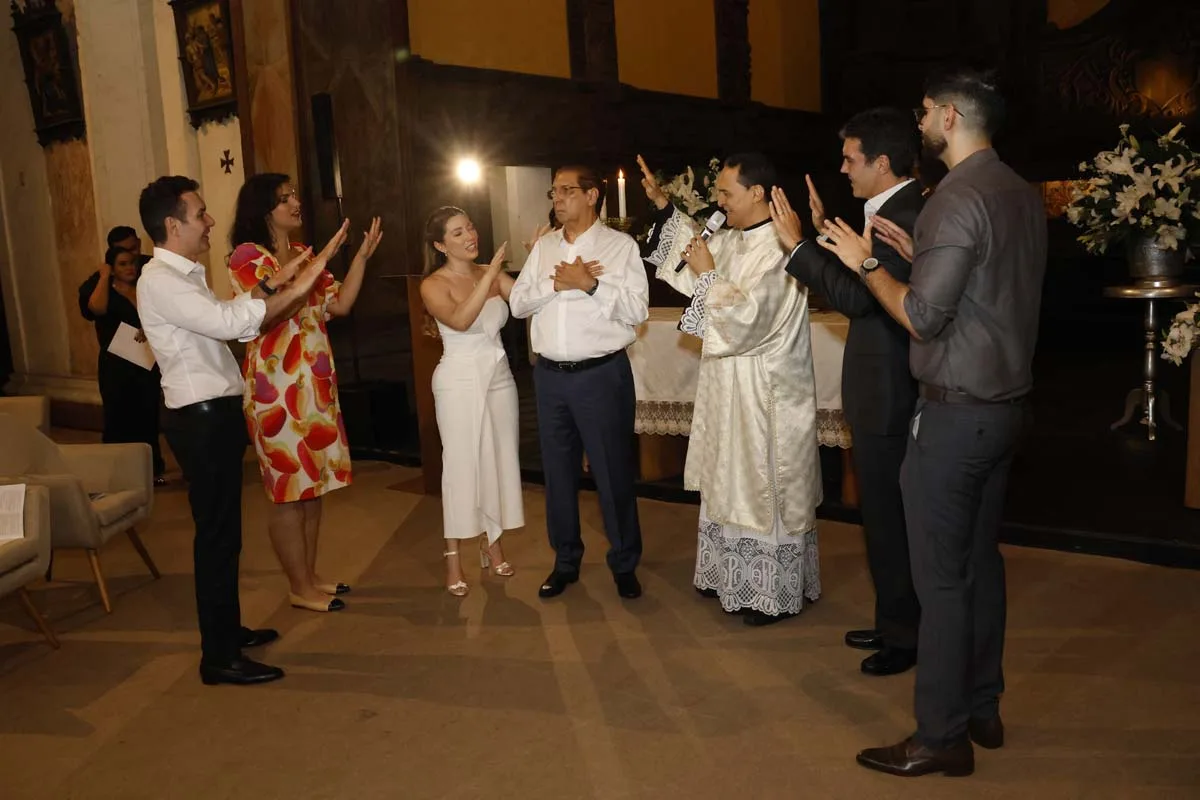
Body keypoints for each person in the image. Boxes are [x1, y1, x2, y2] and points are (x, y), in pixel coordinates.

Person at [818, 69, 1046, 777]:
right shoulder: (1016, 190)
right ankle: (982, 705)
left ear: (949, 117)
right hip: (1006, 408)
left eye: (924, 110)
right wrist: (924, 260)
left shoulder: (952, 198)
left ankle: (939, 735)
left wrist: (866, 264)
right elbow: (987, 288)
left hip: (954, 417)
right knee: (981, 564)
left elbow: (920, 316)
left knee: (941, 581)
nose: (919, 120)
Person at [137, 175, 346, 686]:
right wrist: (301, 281)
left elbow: (231, 312)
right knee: (216, 539)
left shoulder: (183, 275)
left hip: (215, 413)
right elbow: (232, 325)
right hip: (199, 418)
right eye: (200, 213)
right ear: (172, 224)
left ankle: (228, 631)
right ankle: (219, 657)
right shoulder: (159, 280)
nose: (210, 221)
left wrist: (277, 284)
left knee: (226, 535)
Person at [638, 152, 823, 626]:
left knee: (759, 482)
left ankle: (769, 591)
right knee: (726, 475)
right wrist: (663, 208)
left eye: (727, 193)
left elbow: (748, 317)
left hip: (765, 390)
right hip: (728, 384)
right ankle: (726, 573)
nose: (719, 202)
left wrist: (706, 274)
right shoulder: (734, 238)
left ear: (758, 193)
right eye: (717, 192)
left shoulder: (780, 249)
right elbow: (694, 258)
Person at [770, 107, 925, 673]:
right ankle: (894, 623)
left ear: (882, 163)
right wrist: (815, 239)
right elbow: (857, 279)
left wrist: (798, 249)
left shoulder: (901, 214)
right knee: (881, 516)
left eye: (850, 159)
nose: (842, 168)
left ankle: (906, 637)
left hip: (891, 390)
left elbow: (860, 296)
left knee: (891, 517)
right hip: (880, 386)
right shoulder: (882, 211)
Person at [227, 174, 381, 613]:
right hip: (275, 390)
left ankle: (309, 577)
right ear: (263, 208)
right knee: (287, 491)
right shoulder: (247, 256)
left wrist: (360, 258)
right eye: (285, 198)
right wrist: (322, 258)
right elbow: (277, 309)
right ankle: (298, 586)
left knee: (311, 488)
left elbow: (340, 304)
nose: (296, 202)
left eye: (295, 194)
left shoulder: (301, 254)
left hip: (313, 385)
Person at [508, 165, 649, 600]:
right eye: (555, 192)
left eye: (567, 191)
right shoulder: (545, 246)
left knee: (612, 472)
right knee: (558, 474)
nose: (557, 199)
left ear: (592, 196)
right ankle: (565, 560)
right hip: (550, 377)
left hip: (601, 375)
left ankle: (625, 562)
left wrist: (590, 285)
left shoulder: (619, 246)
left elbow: (637, 311)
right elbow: (517, 303)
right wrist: (559, 282)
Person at [419, 207, 525, 595]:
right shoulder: (433, 284)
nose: (469, 236)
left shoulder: (490, 271)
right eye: (457, 232)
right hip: (459, 379)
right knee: (461, 466)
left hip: (499, 376)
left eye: (470, 228)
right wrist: (491, 272)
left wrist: (540, 252)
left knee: (497, 460)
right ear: (440, 244)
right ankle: (453, 557)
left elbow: (527, 301)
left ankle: (492, 543)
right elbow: (461, 320)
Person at [78, 246, 167, 483]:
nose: (130, 268)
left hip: (145, 362)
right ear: (112, 267)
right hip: (116, 365)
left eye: (132, 263)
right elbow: (96, 308)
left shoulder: (144, 287)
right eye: (123, 264)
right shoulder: (105, 288)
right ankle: (118, 473)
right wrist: (104, 276)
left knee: (147, 416)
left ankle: (152, 471)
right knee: (119, 417)